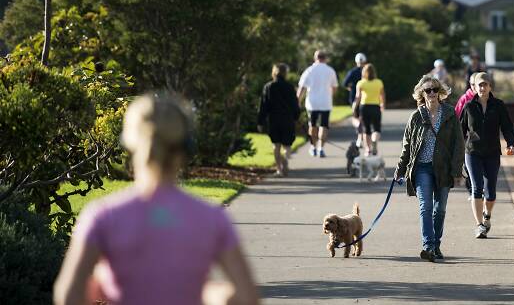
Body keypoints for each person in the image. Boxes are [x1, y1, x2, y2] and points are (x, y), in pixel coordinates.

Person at [54, 94, 259, 305]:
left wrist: (99, 285)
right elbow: (247, 297)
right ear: (185, 147)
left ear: (129, 145)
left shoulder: (103, 216)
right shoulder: (211, 219)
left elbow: (69, 294)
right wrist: (209, 293)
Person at [395, 75, 464, 262]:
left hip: (443, 168)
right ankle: (428, 246)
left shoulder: (449, 113)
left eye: (435, 89)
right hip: (422, 168)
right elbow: (407, 145)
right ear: (421, 93)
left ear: (440, 92)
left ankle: (436, 244)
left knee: (439, 209)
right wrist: (400, 169)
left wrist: (457, 171)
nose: (432, 93)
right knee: (425, 207)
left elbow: (459, 144)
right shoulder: (416, 116)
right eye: (428, 90)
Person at [460, 72, 514, 239]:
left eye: (485, 84)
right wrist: (456, 153)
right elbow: (460, 131)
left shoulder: (498, 105)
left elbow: (507, 127)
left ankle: (487, 215)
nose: (483, 88)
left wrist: (511, 144)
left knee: (490, 192)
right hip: (472, 152)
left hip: (492, 152)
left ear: (490, 86)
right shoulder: (468, 107)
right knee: (476, 188)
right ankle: (479, 225)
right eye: (480, 85)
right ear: (474, 88)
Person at [258, 63, 301, 177]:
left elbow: (263, 105)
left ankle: (279, 169)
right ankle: (286, 160)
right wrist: (296, 117)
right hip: (287, 119)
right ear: (285, 73)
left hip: (274, 119)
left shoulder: (268, 86)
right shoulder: (290, 87)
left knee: (276, 145)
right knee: (287, 145)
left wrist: (260, 121)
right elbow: (295, 104)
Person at [298, 50, 338, 158]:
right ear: (325, 58)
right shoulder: (330, 71)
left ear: (315, 58)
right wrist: (330, 96)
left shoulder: (309, 71)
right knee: (324, 126)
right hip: (325, 102)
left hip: (312, 103)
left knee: (313, 125)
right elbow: (334, 87)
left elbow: (302, 88)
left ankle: (313, 147)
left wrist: (298, 101)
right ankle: (321, 148)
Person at [354, 63, 385, 156]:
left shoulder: (361, 83)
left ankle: (368, 149)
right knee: (376, 129)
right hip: (375, 107)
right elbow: (382, 95)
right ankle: (374, 142)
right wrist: (382, 104)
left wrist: (355, 107)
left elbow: (358, 97)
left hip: (364, 107)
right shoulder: (379, 82)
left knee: (366, 129)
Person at [343, 53, 367, 149]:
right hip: (365, 98)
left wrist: (351, 88)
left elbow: (345, 83)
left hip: (354, 98)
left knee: (356, 119)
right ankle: (360, 139)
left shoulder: (352, 72)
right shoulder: (367, 71)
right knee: (362, 119)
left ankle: (359, 138)